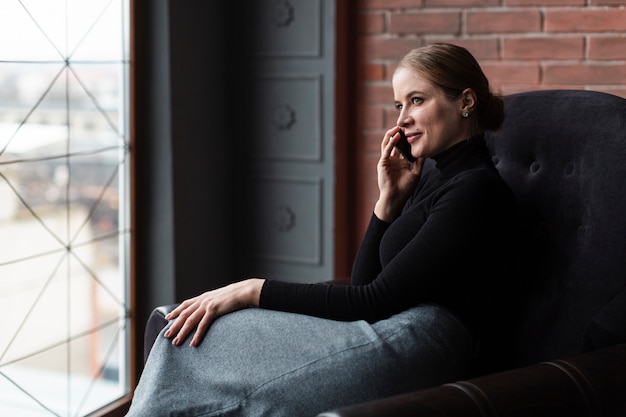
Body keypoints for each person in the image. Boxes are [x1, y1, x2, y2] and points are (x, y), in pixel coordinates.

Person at [125, 43, 517, 417]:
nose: (401, 120)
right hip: (391, 328)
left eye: (417, 100)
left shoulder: (475, 190)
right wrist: (387, 205)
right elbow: (367, 281)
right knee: (185, 330)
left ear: (465, 102)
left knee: (191, 341)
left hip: (422, 346)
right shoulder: (432, 174)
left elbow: (371, 300)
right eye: (399, 105)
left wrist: (250, 290)